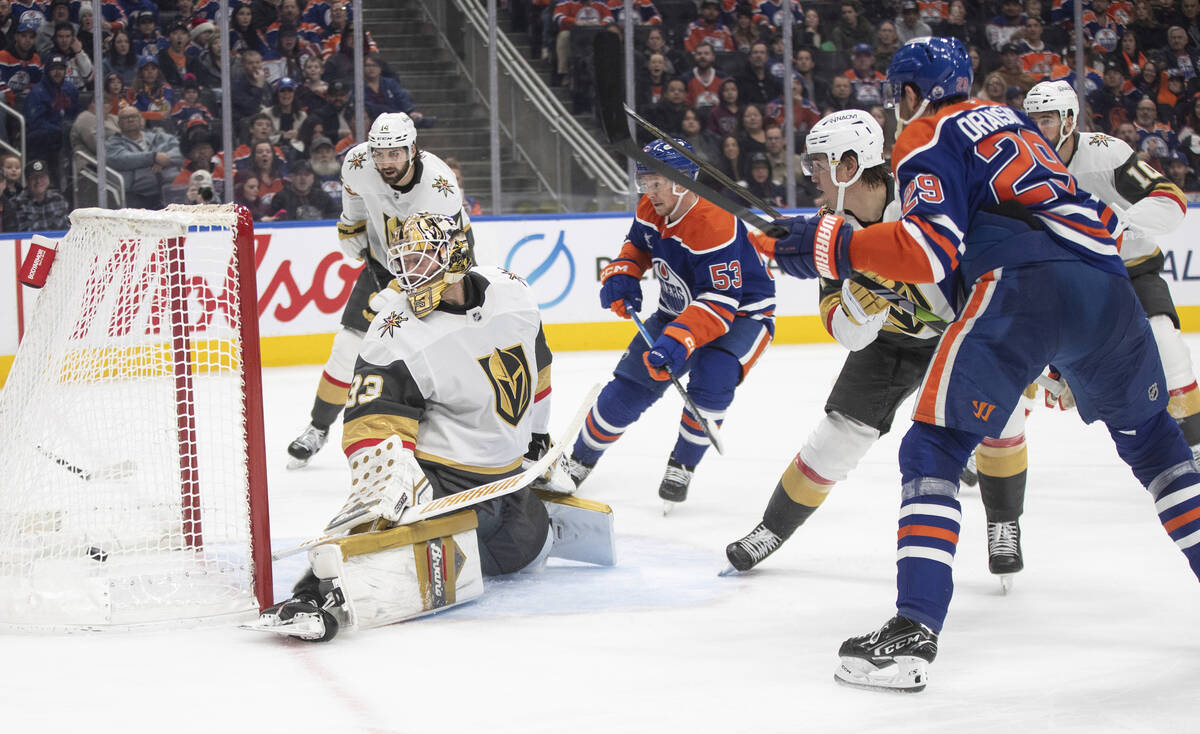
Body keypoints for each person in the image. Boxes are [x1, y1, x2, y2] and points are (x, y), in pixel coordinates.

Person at [766, 36, 1200, 692]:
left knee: (934, 448)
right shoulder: (1020, 125)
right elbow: (1154, 207)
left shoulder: (924, 137)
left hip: (1022, 290)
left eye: (898, 97)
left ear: (911, 94)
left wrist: (836, 244)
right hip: (1108, 287)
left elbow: (930, 251)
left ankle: (914, 628)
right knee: (1161, 450)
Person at [248, 211, 613, 642]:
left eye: (421, 260)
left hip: (507, 484)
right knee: (380, 511)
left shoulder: (512, 293)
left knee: (526, 554)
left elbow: (538, 372)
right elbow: (371, 421)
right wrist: (392, 476)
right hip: (443, 483)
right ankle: (315, 594)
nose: (408, 275)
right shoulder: (394, 331)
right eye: (403, 263)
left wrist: (537, 439)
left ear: (455, 255)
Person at [725, 110, 1026, 583]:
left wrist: (1013, 344)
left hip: (959, 333)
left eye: (818, 164)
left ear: (849, 167)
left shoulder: (924, 201)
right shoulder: (826, 230)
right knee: (836, 437)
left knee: (1004, 415)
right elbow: (844, 333)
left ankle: (1005, 523)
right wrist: (860, 309)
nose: (811, 176)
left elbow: (992, 270)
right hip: (891, 344)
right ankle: (771, 527)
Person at [560, 140, 775, 510]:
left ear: (683, 182)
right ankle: (579, 460)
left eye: (656, 182)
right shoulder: (651, 206)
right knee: (630, 384)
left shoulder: (715, 222)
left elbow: (720, 302)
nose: (648, 191)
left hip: (741, 314)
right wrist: (626, 271)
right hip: (678, 309)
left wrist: (679, 339)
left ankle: (683, 464)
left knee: (713, 379)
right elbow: (638, 245)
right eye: (644, 181)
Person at [1024, 81, 1200, 456]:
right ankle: (986, 445)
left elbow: (1171, 200)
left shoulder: (1105, 154)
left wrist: (1123, 221)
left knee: (1167, 343)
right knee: (1014, 359)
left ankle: (1196, 446)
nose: (1038, 129)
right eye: (1032, 119)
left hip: (1130, 270)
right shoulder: (1019, 165)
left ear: (1070, 120)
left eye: (1047, 120)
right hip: (1065, 283)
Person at [285, 112, 471, 468]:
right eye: (380, 153)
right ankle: (318, 426)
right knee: (347, 348)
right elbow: (354, 193)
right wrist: (351, 224)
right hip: (384, 261)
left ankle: (461, 433)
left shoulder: (438, 186)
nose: (386, 162)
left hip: (441, 264)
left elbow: (438, 252)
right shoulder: (357, 161)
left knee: (444, 349)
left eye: (395, 154)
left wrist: (399, 291)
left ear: (412, 150)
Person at [106, 105, 183, 209]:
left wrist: (163, 160)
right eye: (125, 118)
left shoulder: (157, 136)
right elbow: (121, 159)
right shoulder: (113, 143)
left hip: (167, 190)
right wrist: (153, 157)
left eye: (134, 116)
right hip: (136, 196)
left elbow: (181, 150)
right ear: (119, 123)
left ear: (141, 120)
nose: (130, 120)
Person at [266, 158, 338, 219]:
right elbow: (273, 220)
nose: (303, 178)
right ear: (291, 177)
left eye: (306, 175)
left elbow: (335, 215)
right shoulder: (280, 198)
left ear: (312, 178)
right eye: (299, 174)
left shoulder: (322, 196)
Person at [9, 158, 69, 231]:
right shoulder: (16, 204)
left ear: (48, 179)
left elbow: (66, 228)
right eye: (34, 178)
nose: (38, 181)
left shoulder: (59, 199)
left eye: (42, 176)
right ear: (27, 181)